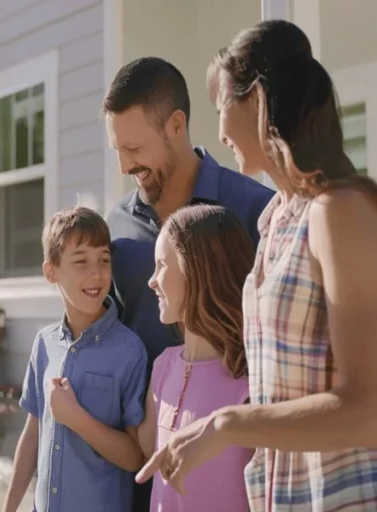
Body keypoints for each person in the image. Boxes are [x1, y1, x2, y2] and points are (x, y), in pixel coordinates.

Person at [136, 19, 377, 511]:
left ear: (258, 100)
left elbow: (368, 409)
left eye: (222, 105)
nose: (219, 130)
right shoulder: (273, 221)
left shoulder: (338, 211)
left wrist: (228, 424)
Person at [101, 56, 274, 510]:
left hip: (232, 469)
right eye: (117, 150)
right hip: (142, 467)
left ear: (176, 125)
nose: (125, 165)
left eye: (134, 148)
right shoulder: (116, 227)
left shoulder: (257, 211)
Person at [3, 205, 148, 512]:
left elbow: (135, 457)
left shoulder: (129, 351)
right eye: (81, 261)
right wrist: (9, 508)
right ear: (51, 272)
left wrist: (75, 418)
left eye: (104, 260)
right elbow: (32, 436)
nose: (96, 273)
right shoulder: (44, 344)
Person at [138, 204, 255, 511]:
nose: (152, 281)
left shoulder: (251, 378)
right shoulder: (163, 367)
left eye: (161, 265)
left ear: (197, 270)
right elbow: (145, 449)